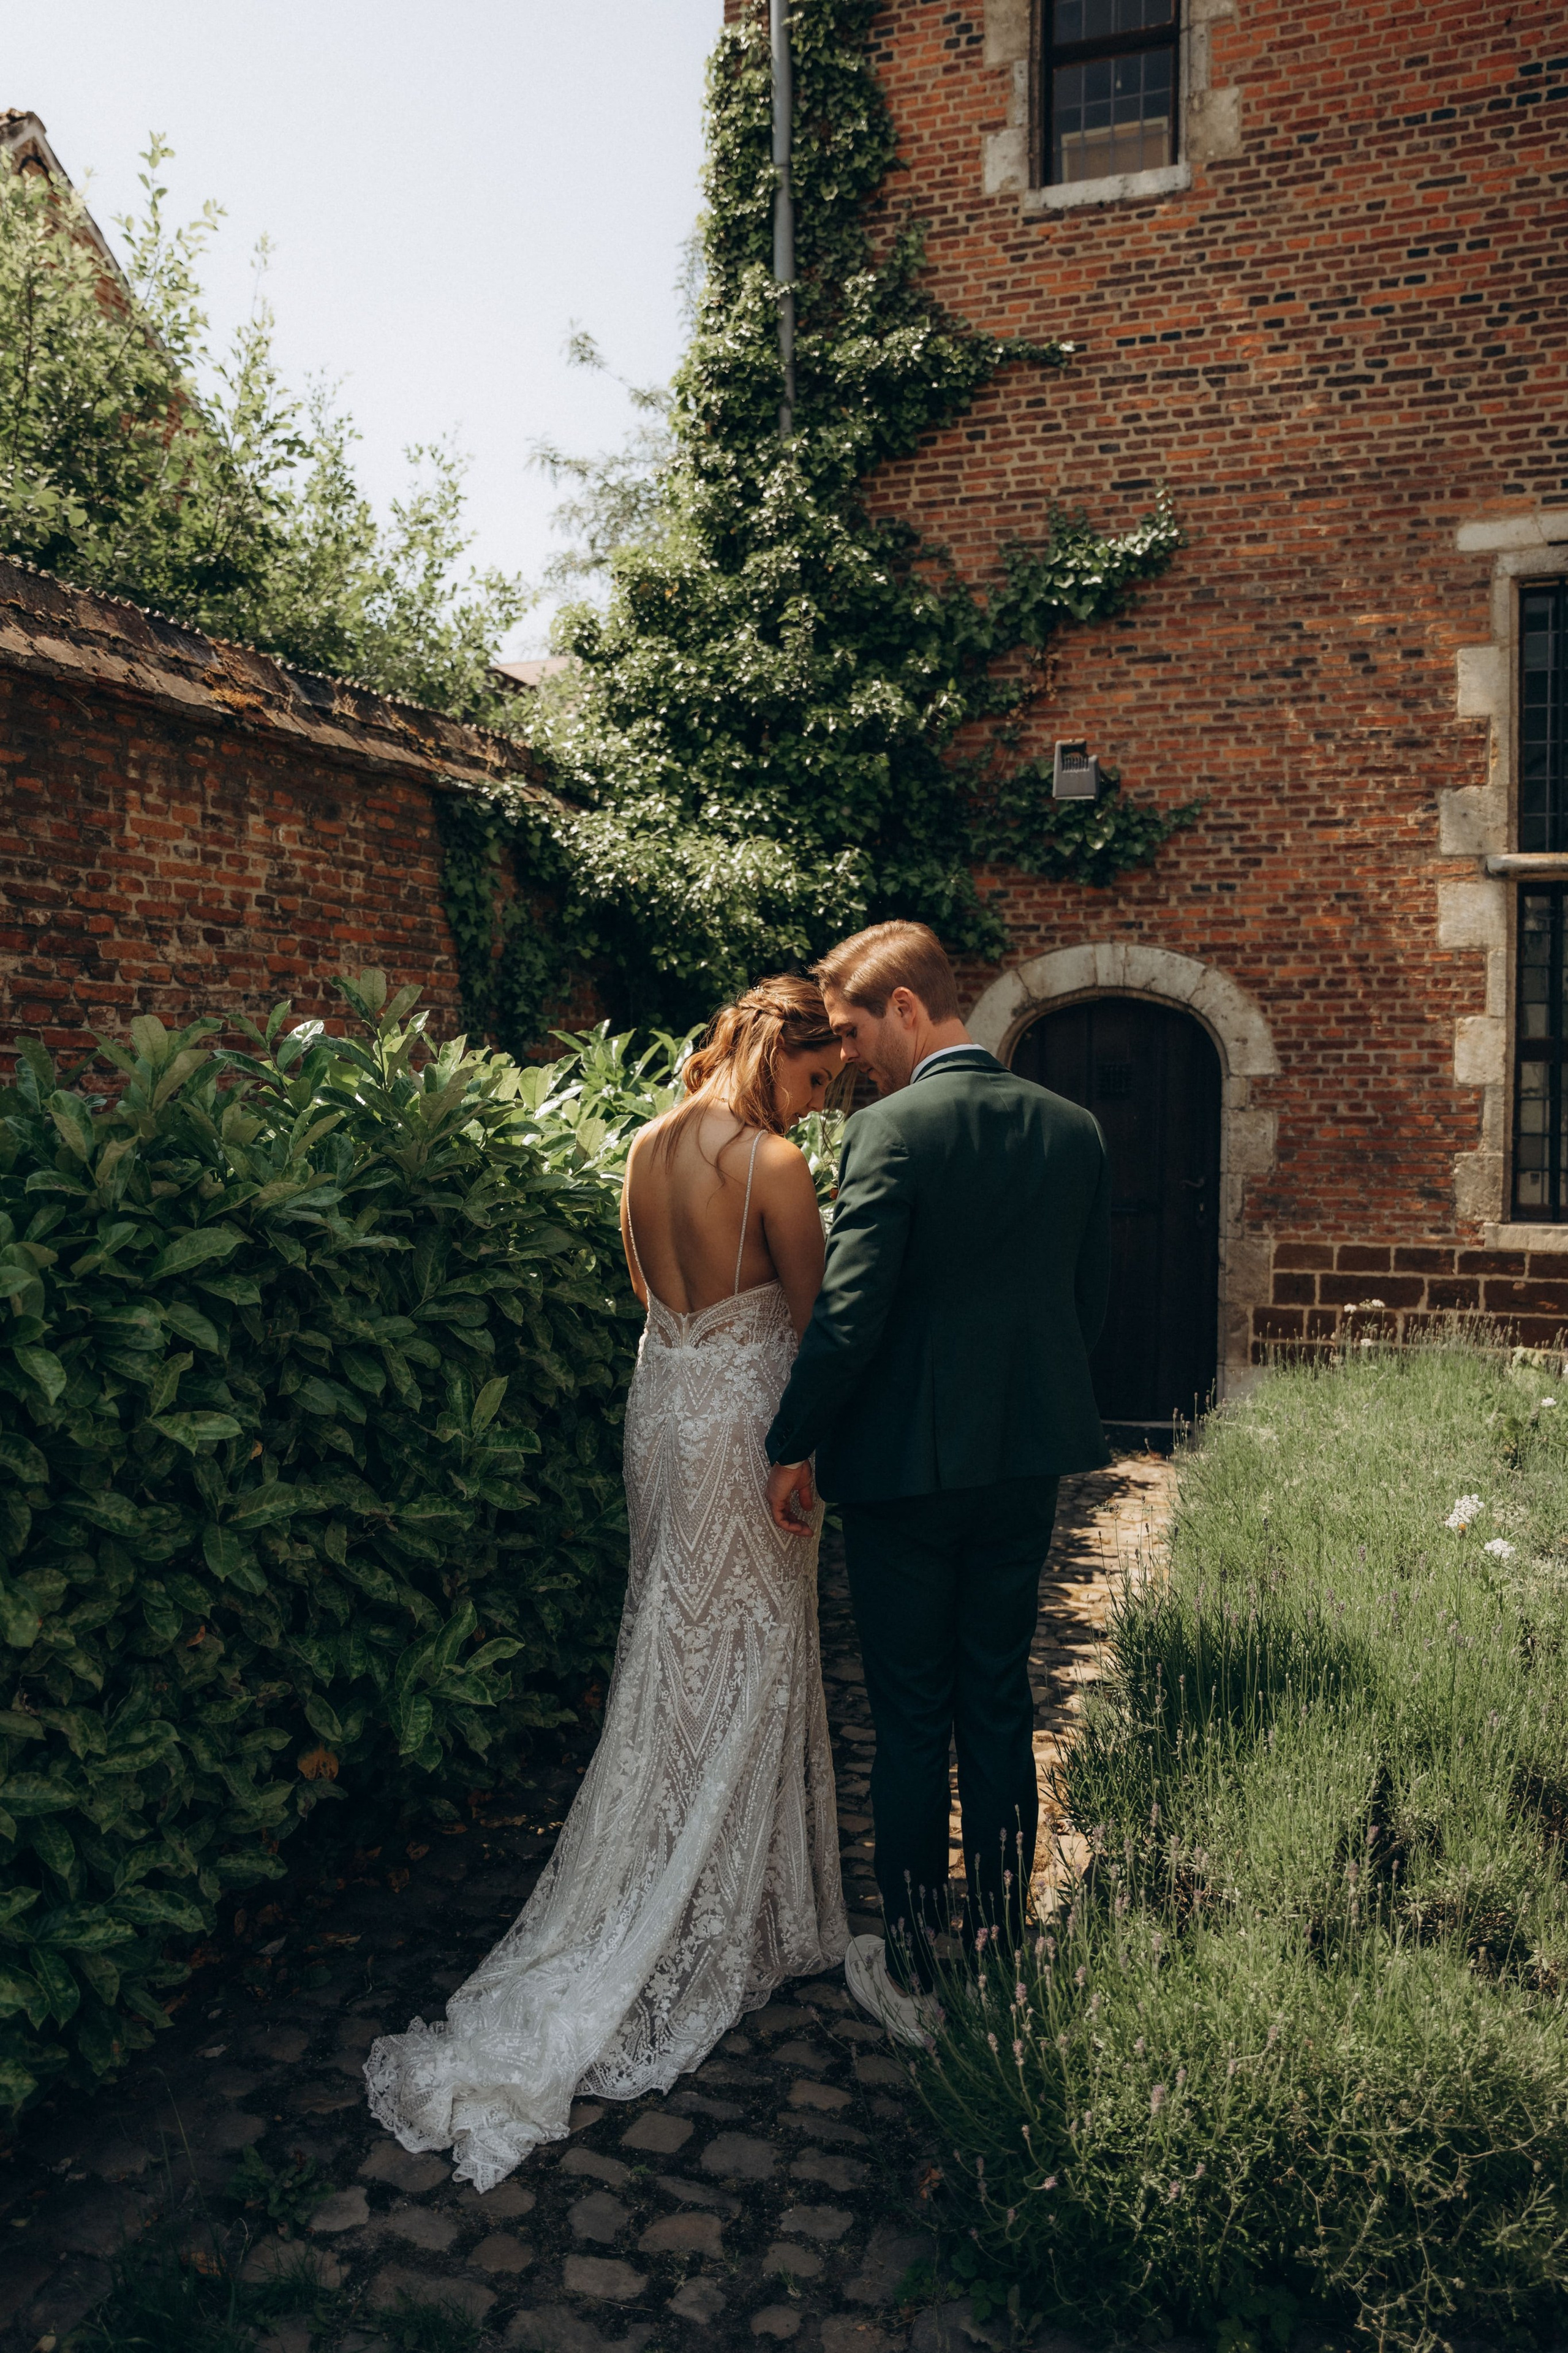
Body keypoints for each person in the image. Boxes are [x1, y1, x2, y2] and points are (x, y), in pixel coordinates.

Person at [366, 978, 848, 2190]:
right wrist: (804, 1448)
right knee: (746, 1645)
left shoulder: (641, 1144)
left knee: (668, 1640)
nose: (818, 1099)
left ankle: (677, 1875)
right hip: (747, 1424)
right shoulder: (775, 1164)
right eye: (816, 1077)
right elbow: (817, 1322)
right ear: (778, 1056)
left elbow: (647, 1295)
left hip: (664, 1408)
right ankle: (715, 1912)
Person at [763, 921, 1110, 2044]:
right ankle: (1003, 1949)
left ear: (908, 1009)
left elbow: (852, 1314)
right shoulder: (1073, 1130)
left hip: (905, 1473)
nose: (855, 1054)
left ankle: (912, 1963)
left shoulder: (888, 1131)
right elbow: (1084, 1306)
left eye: (860, 1029)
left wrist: (792, 1438)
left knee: (912, 1715)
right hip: (1023, 1460)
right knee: (998, 1699)